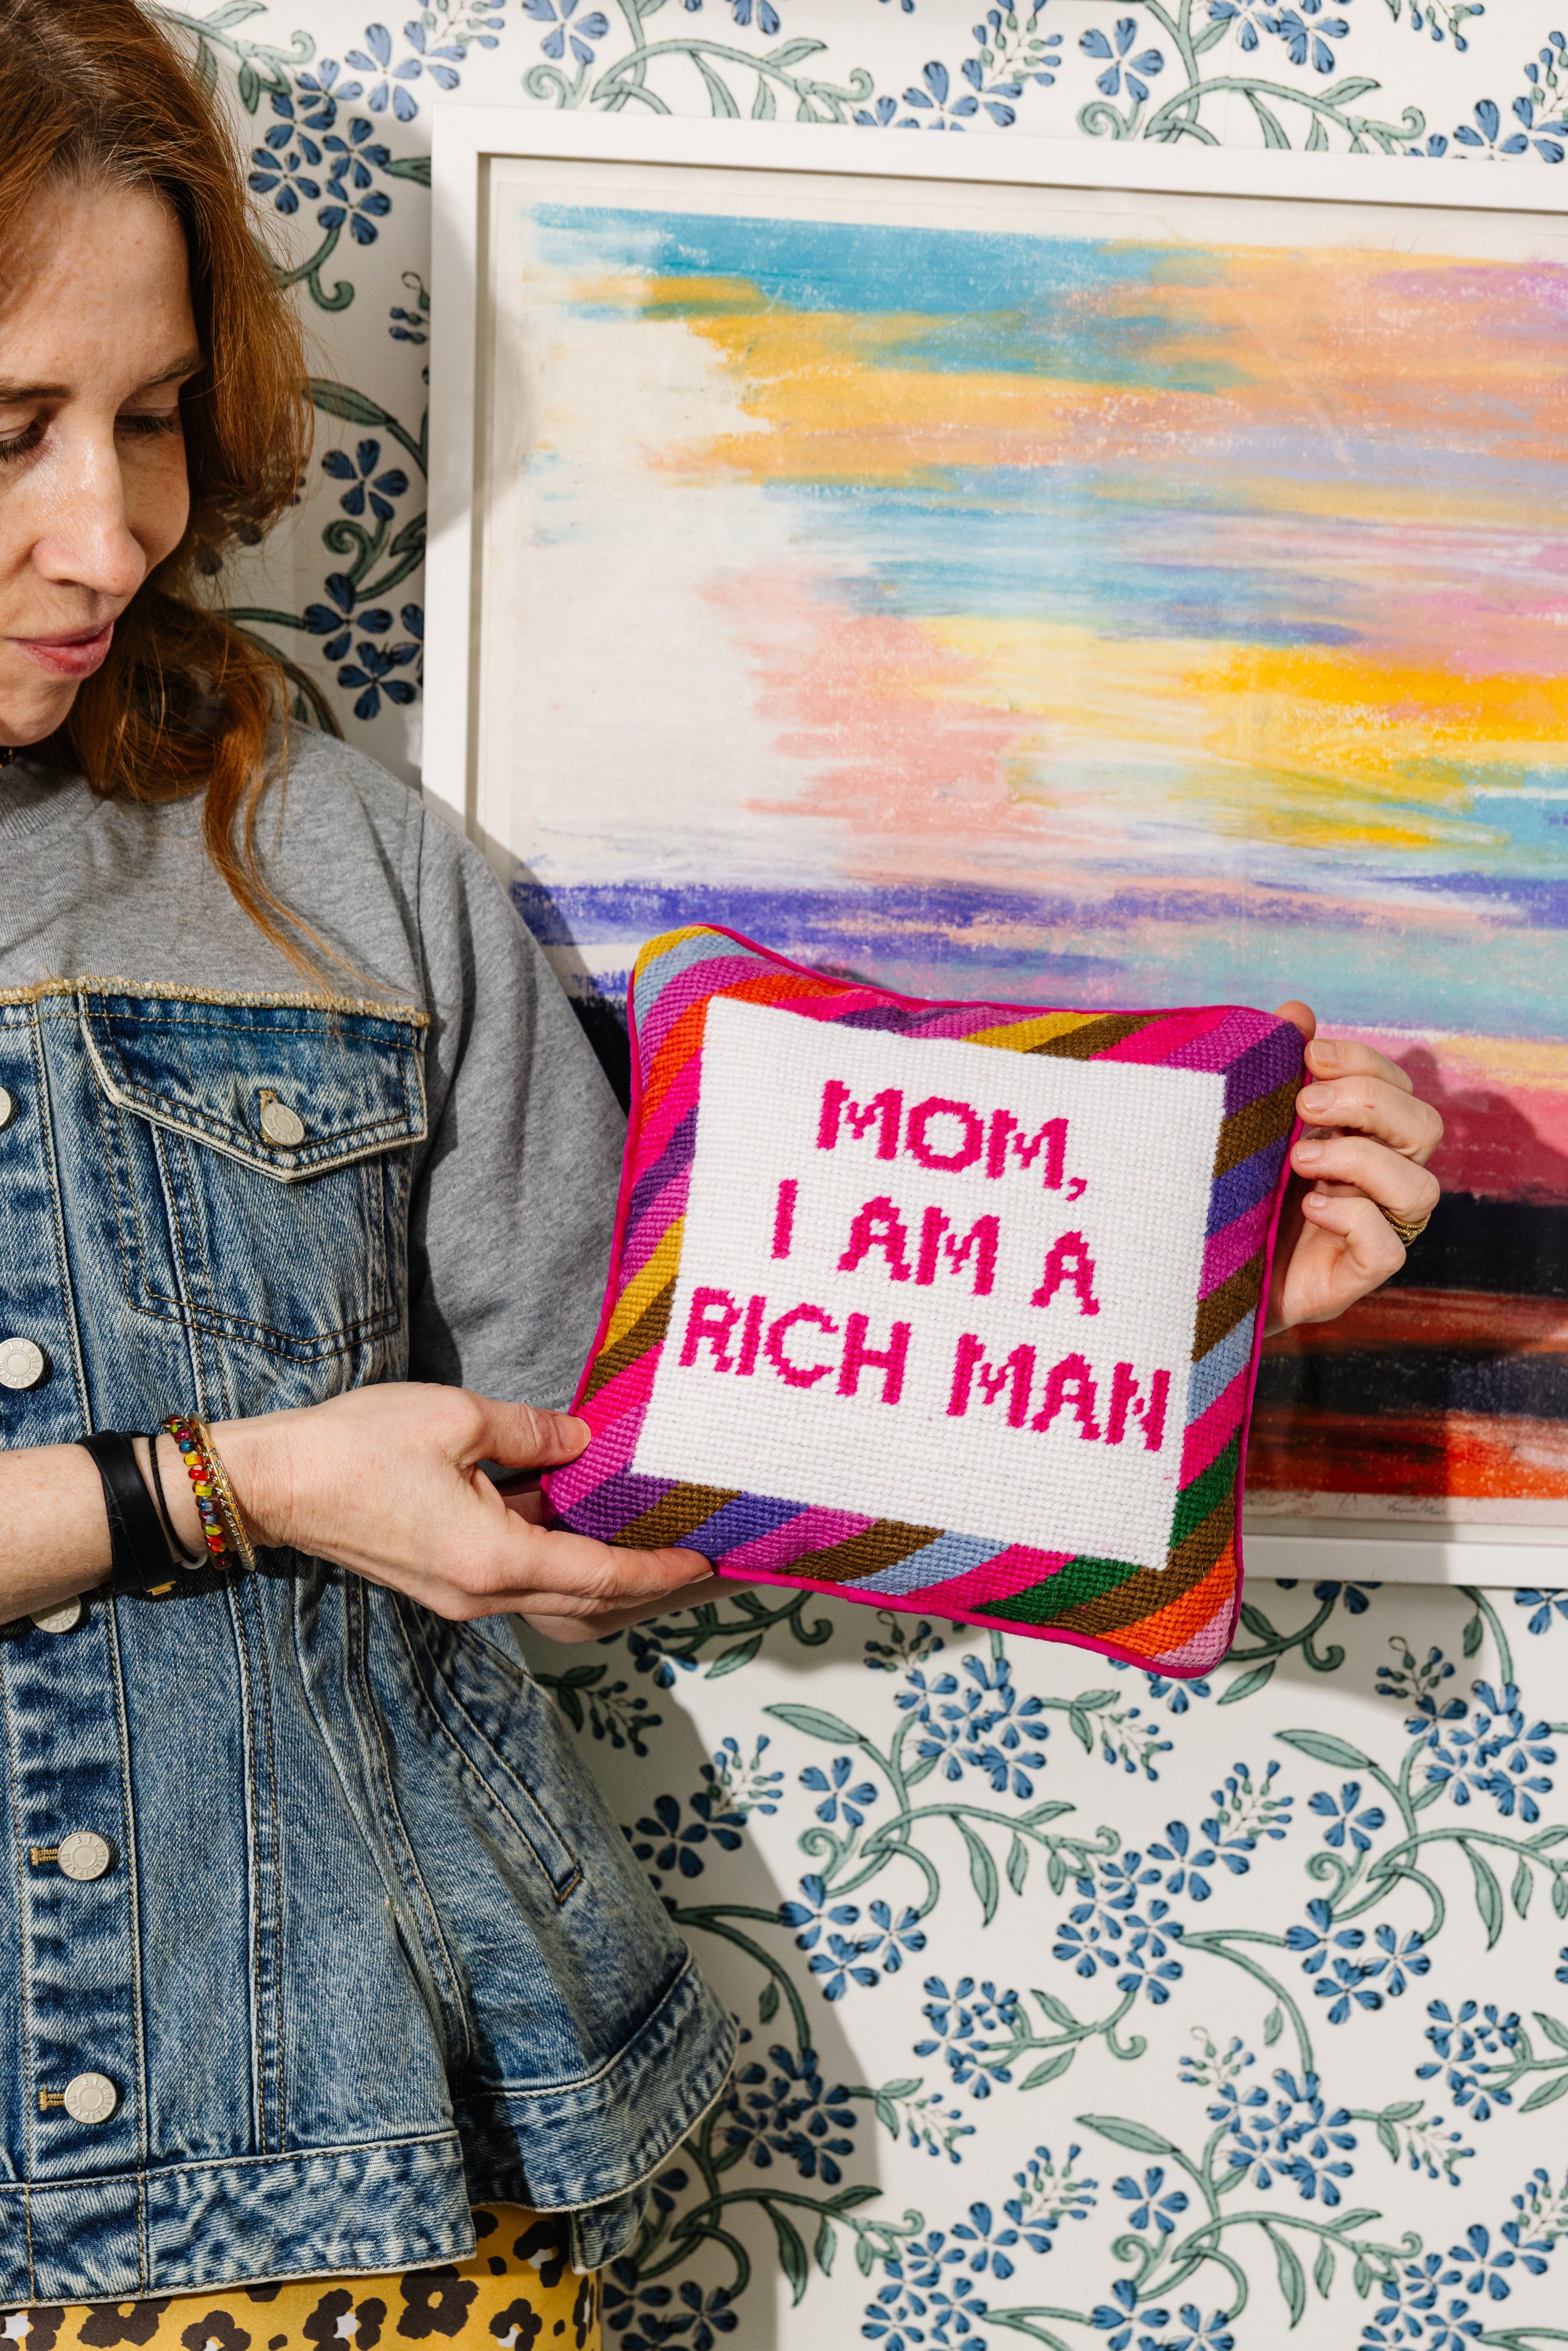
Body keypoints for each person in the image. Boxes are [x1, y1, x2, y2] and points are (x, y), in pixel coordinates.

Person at [0, 0, 1442, 2339]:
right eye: (10, 431)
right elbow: (284, 1482)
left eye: (152, 415)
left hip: (371, 2204)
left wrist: (1142, 1298)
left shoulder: (333, 856)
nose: (109, 534)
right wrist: (229, 1483)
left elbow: (621, 1471)